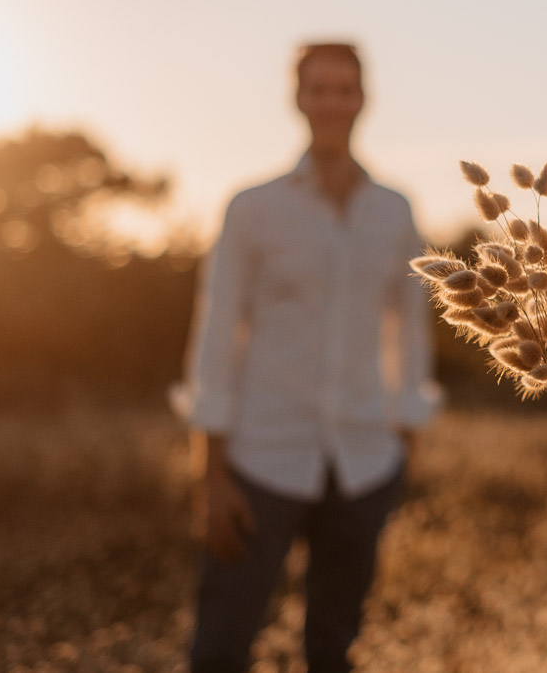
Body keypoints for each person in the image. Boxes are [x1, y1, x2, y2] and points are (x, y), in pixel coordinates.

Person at [176, 41, 441, 673]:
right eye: (318, 89)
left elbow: (410, 333)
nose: (331, 103)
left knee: (333, 647)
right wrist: (210, 473)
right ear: (298, 99)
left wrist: (404, 445)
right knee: (219, 646)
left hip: (364, 462)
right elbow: (215, 339)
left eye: (343, 89)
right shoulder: (253, 209)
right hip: (260, 458)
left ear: (362, 99)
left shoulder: (394, 211)